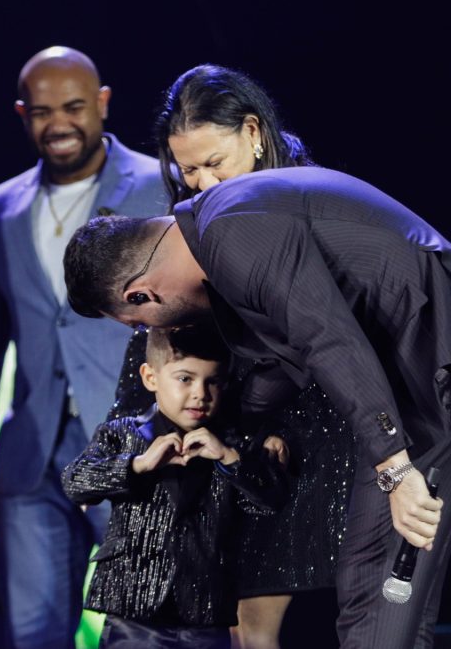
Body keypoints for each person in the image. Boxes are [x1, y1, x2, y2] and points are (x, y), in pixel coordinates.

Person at [63, 166, 451, 648]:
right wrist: (232, 429)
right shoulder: (218, 226)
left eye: (136, 321)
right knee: (389, 593)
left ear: (141, 294)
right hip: (436, 364)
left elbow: (329, 341)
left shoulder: (231, 233)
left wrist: (395, 468)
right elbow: (284, 360)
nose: (147, 329)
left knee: (377, 579)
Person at [109, 64, 353, 649]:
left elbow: (324, 337)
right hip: (224, 430)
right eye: (187, 169)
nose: (200, 182)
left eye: (213, 165)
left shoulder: (309, 200)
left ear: (253, 132)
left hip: (300, 435)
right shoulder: (195, 216)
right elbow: (172, 323)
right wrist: (141, 419)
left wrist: (276, 428)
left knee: (257, 625)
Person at [0, 46, 168, 648]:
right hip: (30, 458)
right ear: (23, 113)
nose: (59, 124)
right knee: (35, 636)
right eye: (42, 111)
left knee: (142, 631)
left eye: (73, 107)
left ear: (102, 104)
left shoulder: (159, 187)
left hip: (136, 450)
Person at [62, 323, 288, 649]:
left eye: (212, 381)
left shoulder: (231, 443)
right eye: (185, 379)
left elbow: (270, 500)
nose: (200, 393)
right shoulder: (123, 433)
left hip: (204, 613)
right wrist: (137, 465)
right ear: (150, 377)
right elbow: (75, 482)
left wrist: (229, 459)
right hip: (134, 613)